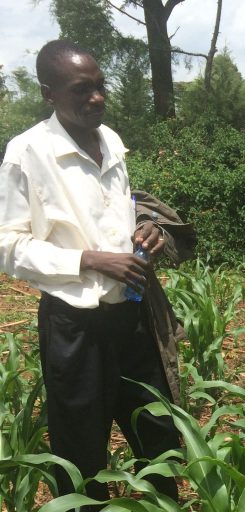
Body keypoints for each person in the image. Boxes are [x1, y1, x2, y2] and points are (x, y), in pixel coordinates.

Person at [0, 40, 181, 508]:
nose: (96, 98)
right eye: (82, 90)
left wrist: (147, 228)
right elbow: (9, 246)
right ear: (49, 94)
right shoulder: (27, 153)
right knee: (80, 452)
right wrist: (90, 260)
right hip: (74, 327)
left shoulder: (111, 140)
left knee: (158, 436)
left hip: (131, 315)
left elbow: (119, 212)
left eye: (101, 87)